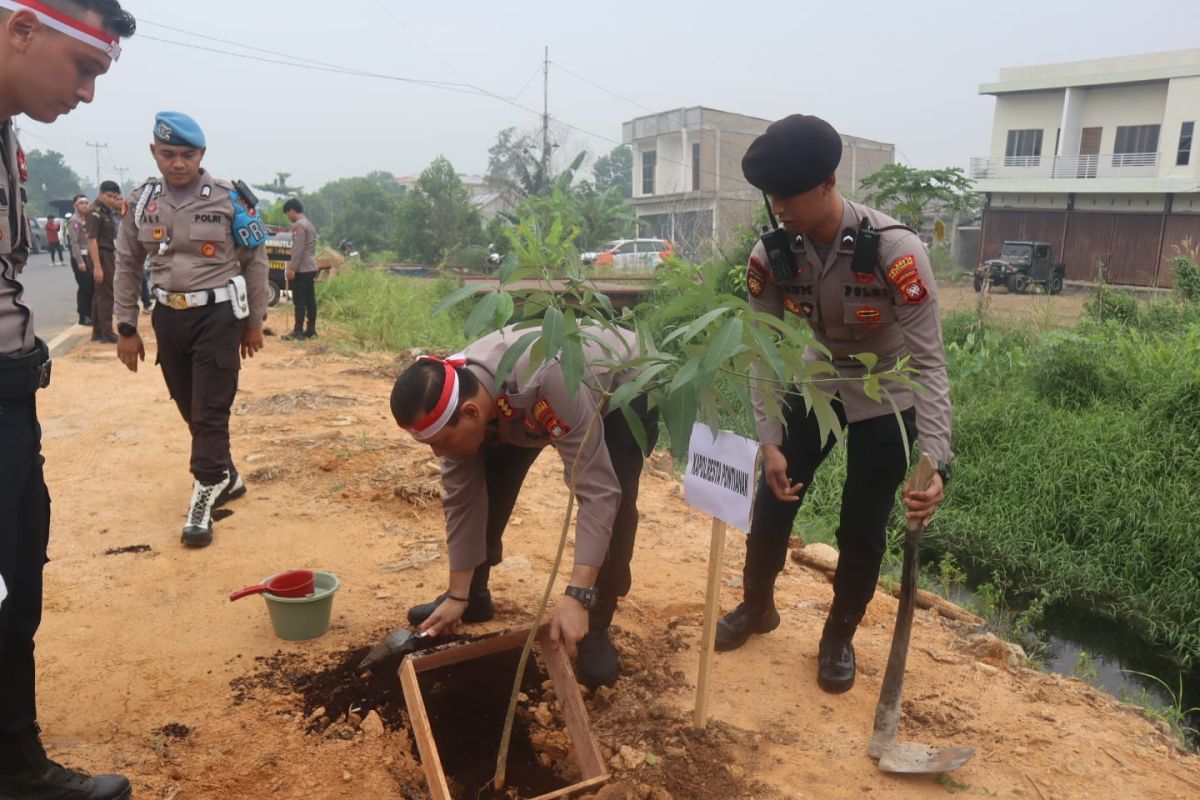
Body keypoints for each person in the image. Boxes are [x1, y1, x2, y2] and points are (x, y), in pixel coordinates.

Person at [715, 114, 952, 695]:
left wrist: (937, 459)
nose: (780, 207)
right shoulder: (770, 256)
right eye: (772, 196)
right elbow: (763, 353)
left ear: (827, 181)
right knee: (774, 499)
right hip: (812, 384)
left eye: (791, 193)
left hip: (884, 390)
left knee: (862, 524)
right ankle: (757, 605)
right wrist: (769, 439)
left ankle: (838, 636)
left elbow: (930, 362)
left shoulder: (895, 251)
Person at [0, 2, 136, 798]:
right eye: (83, 68)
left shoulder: (9, 136)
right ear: (22, 31)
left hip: (15, 398)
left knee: (17, 587)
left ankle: (17, 766)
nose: (87, 95)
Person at [390, 323, 658, 688]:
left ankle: (594, 619)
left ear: (470, 413)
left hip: (620, 383)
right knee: (487, 474)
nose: (437, 453)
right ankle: (474, 596)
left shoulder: (548, 380)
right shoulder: (457, 399)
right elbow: (462, 500)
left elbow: (599, 492)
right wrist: (457, 593)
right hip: (522, 405)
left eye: (440, 442)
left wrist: (577, 593)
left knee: (618, 497)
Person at [113, 111, 269, 548]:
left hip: (218, 316)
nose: (177, 163)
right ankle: (226, 473)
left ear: (202, 155)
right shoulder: (142, 201)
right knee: (189, 405)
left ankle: (203, 497)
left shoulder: (230, 200)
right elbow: (127, 261)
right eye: (168, 154)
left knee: (209, 410)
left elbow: (254, 259)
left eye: (187, 154)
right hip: (168, 317)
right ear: (154, 153)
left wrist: (255, 320)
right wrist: (127, 325)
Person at [86, 179, 121, 343]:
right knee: (106, 294)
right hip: (101, 254)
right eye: (109, 196)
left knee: (99, 294)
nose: (112, 200)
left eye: (115, 197)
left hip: (107, 253)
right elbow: (91, 239)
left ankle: (98, 331)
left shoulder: (106, 211)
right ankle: (106, 332)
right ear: (100, 193)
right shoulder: (95, 212)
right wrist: (98, 266)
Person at [282, 197, 317, 340]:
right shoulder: (309, 224)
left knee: (299, 301)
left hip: (302, 269)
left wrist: (292, 268)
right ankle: (311, 329)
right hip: (311, 267)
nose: (288, 217)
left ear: (291, 210)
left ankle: (298, 331)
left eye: (287, 213)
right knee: (310, 300)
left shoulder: (298, 226)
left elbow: (298, 249)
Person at [66, 194, 92, 325]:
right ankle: (83, 316)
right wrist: (80, 261)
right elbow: (74, 243)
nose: (85, 205)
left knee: (91, 286)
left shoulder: (88, 219)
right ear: (75, 205)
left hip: (90, 256)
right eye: (81, 203)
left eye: (87, 203)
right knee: (84, 286)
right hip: (80, 257)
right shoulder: (74, 221)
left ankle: (90, 313)